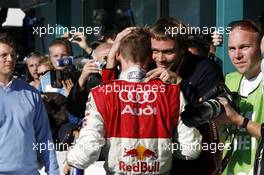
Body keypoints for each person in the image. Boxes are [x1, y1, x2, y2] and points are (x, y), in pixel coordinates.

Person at [66, 28, 202, 174]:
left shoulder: (100, 93)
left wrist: (70, 156)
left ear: (118, 55)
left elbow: (85, 154)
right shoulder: (172, 91)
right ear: (151, 57)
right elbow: (191, 149)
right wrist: (163, 151)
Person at [0, 33, 59, 174]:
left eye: (13, 55)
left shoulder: (32, 93)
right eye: (4, 55)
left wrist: (54, 171)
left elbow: (44, 138)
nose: (10, 59)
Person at [217, 19, 264, 175]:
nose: (237, 55)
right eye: (231, 48)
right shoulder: (231, 79)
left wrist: (238, 120)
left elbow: (236, 120)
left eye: (244, 47)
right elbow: (225, 138)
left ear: (261, 47)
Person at [67, 42, 112, 118]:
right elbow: (74, 109)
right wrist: (82, 78)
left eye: (108, 59)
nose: (104, 64)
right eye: (102, 60)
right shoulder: (92, 81)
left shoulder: (123, 76)